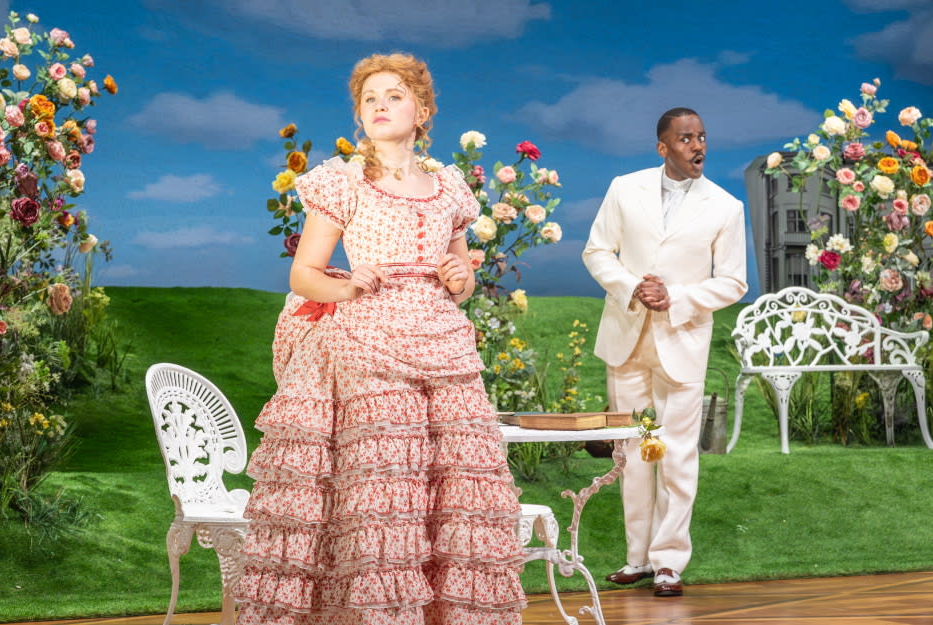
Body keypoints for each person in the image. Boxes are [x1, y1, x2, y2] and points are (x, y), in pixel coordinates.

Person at [234, 53, 526, 625]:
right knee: (383, 487)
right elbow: (304, 274)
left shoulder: (448, 187)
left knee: (450, 492)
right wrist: (346, 288)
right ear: (359, 116)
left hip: (441, 342)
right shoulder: (344, 181)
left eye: (393, 95)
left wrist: (459, 278)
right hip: (369, 342)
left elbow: (462, 277)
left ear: (422, 109)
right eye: (369, 99)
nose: (380, 106)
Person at [581, 107, 747, 597]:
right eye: (685, 138)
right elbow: (596, 252)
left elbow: (733, 281)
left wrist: (676, 296)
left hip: (681, 340)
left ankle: (669, 561)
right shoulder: (623, 188)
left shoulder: (725, 206)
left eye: (701, 138)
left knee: (675, 455)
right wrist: (635, 286)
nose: (697, 146)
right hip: (627, 339)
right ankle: (637, 559)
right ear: (663, 146)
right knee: (633, 451)